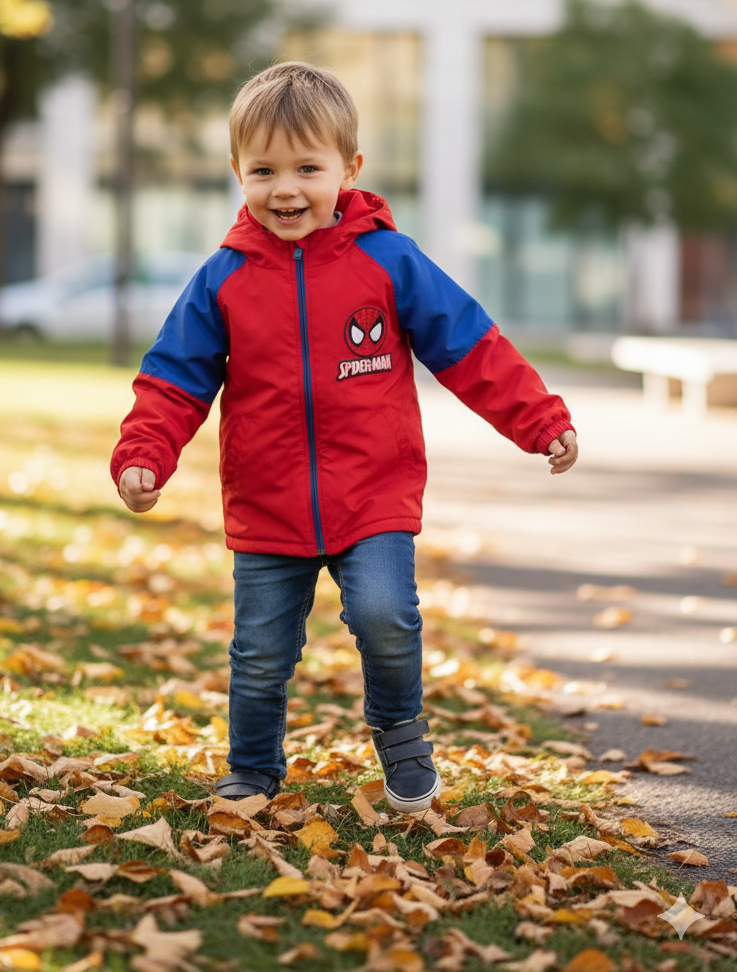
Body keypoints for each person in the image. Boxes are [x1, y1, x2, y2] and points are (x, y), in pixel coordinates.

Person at [111, 61, 578, 813]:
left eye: (307, 167)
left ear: (348, 169)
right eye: (263, 170)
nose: (285, 188)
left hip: (373, 494)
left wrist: (540, 419)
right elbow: (174, 378)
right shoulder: (223, 278)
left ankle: (399, 732)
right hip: (268, 504)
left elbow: (469, 346)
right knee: (261, 654)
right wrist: (143, 454)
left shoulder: (388, 261)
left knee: (385, 617)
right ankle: (254, 767)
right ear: (237, 172)